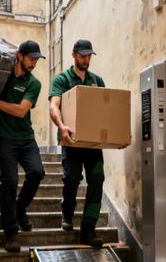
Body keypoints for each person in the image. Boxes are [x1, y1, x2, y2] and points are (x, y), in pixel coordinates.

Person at [0, 40, 46, 253]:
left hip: (26, 138)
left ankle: (20, 207)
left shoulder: (34, 83)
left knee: (37, 172)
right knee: (10, 181)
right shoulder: (2, 77)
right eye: (31, 58)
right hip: (5, 138)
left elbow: (21, 111)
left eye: (36, 59)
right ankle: (11, 233)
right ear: (19, 56)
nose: (34, 62)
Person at [49, 39, 106, 248]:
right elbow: (54, 106)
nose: (87, 59)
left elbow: (104, 111)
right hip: (71, 140)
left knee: (97, 178)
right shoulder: (62, 79)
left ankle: (88, 230)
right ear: (74, 55)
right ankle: (67, 211)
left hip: (92, 143)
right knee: (72, 179)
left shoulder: (97, 81)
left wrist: (117, 135)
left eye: (90, 55)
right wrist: (62, 125)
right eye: (83, 55)